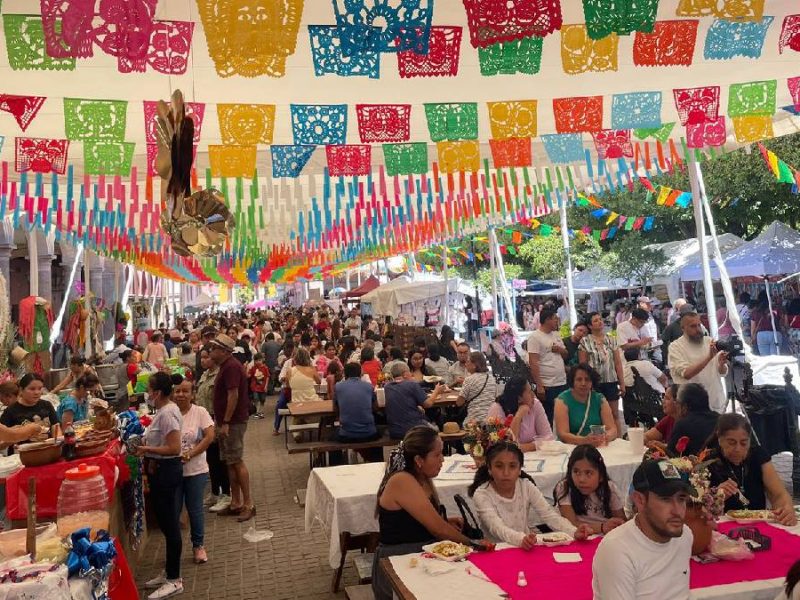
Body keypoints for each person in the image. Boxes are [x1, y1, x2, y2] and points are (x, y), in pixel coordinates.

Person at [372, 426, 489, 600]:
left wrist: (446, 521)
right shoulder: (402, 480)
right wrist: (473, 544)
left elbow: (416, 521)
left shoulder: (419, 477)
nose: (442, 459)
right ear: (419, 460)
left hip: (416, 553)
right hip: (397, 561)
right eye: (437, 455)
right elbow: (438, 530)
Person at [591, 458, 694, 600]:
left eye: (681, 498)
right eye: (666, 499)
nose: (677, 511)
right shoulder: (617, 550)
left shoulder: (685, 536)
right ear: (639, 500)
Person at [469, 440, 591, 548]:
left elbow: (549, 515)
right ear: (489, 469)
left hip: (525, 547)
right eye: (499, 466)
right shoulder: (482, 494)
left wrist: (573, 531)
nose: (506, 473)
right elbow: (497, 528)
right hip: (497, 551)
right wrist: (521, 539)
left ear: (520, 469)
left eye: (512, 466)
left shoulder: (525, 485)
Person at [136, 372, 184, 600]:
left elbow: (174, 448)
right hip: (159, 472)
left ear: (157, 392)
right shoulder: (164, 412)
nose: (146, 393)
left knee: (170, 525)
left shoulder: (167, 414)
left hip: (166, 471)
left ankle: (174, 580)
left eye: (149, 388)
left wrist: (146, 450)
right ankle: (169, 571)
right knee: (166, 524)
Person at [708, 414, 797, 526]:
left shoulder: (758, 456)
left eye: (744, 443)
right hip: (721, 527)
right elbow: (697, 508)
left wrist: (786, 510)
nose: (738, 449)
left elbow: (778, 494)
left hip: (758, 525)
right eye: (731, 443)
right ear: (720, 439)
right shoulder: (708, 462)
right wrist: (716, 497)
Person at [210, 334, 255, 522]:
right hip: (226, 421)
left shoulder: (231, 367)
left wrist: (226, 421)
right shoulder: (225, 366)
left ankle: (248, 504)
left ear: (224, 351)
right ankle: (235, 502)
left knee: (236, 461)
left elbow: (233, 395)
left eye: (214, 348)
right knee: (229, 462)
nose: (211, 351)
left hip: (233, 422)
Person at [173, 377, 215, 564]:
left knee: (195, 509)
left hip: (196, 470)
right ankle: (174, 549)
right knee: (173, 511)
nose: (181, 394)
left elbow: (209, 437)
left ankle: (198, 546)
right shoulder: (168, 413)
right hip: (173, 471)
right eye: (177, 391)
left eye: (185, 391)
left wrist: (191, 454)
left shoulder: (200, 412)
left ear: (193, 394)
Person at [554, 444, 626, 535]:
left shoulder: (609, 488)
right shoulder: (564, 488)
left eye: (588, 473)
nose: (581, 479)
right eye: (576, 472)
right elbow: (570, 524)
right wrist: (602, 527)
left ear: (601, 476)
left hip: (606, 537)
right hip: (577, 536)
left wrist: (616, 524)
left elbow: (621, 520)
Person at [667, 311, 728, 412]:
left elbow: (722, 372)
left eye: (699, 325)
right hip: (692, 406)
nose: (698, 329)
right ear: (683, 328)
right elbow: (687, 374)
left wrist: (722, 364)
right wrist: (709, 358)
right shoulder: (675, 347)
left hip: (716, 402)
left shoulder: (709, 341)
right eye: (693, 326)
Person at [195, 346, 230, 512]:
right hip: (204, 423)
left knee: (220, 459)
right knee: (211, 459)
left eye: (206, 357)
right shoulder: (204, 375)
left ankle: (227, 494)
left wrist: (221, 423)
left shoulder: (220, 376)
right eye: (201, 357)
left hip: (215, 421)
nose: (203, 360)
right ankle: (215, 492)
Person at [578, 312, 625, 429]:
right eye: (595, 321)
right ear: (590, 325)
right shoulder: (585, 341)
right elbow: (583, 366)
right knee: (596, 415)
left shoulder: (611, 339)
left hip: (611, 380)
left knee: (614, 414)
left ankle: (618, 438)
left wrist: (622, 383)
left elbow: (617, 363)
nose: (600, 322)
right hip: (594, 383)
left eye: (600, 319)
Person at [554, 364, 617, 446]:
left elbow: (613, 429)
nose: (583, 383)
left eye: (587, 379)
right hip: (572, 447)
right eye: (579, 379)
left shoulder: (600, 399)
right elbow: (562, 434)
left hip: (598, 445)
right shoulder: (562, 400)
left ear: (592, 382)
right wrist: (584, 440)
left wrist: (605, 437)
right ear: (572, 381)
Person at [487, 376, 553, 452]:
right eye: (529, 392)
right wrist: (518, 416)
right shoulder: (497, 409)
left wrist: (523, 447)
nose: (533, 395)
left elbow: (548, 437)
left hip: (533, 455)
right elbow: (503, 446)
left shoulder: (535, 404)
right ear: (519, 398)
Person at [527, 307, 568, 423]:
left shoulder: (556, 335)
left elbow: (566, 354)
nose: (557, 322)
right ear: (547, 320)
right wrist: (539, 386)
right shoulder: (535, 337)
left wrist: (559, 349)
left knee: (562, 415)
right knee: (547, 416)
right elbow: (533, 362)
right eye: (555, 319)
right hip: (547, 384)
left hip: (561, 382)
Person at [383, 363, 435, 439]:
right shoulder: (412, 385)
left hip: (395, 431)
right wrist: (437, 391)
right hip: (413, 429)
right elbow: (428, 404)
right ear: (405, 374)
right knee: (435, 431)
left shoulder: (387, 387)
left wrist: (417, 407)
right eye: (409, 372)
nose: (411, 374)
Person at [666, 383, 719, 456]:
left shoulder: (682, 425)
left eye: (677, 403)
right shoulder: (721, 420)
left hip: (695, 466)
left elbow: (670, 456)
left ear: (684, 407)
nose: (676, 406)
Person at [334, 362, 378, 443]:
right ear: (360, 373)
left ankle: (337, 456)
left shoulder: (338, 386)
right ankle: (375, 456)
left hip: (347, 434)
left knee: (329, 436)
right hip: (369, 433)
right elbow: (375, 408)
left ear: (345, 374)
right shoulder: (368, 386)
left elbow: (335, 409)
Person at [456, 352, 498, 424]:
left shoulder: (469, 379)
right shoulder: (492, 378)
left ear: (474, 365)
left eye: (468, 361)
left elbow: (459, 403)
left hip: (475, 421)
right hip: (491, 420)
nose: (465, 364)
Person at [644, 384, 680, 450]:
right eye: (664, 397)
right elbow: (647, 437)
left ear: (677, 402)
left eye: (667, 398)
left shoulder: (688, 423)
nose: (663, 401)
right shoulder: (669, 419)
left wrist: (664, 447)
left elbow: (684, 450)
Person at [751, 290, 783, 356]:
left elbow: (753, 327)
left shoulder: (755, 311)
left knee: (765, 359)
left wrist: (753, 338)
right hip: (775, 334)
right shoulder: (776, 309)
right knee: (775, 358)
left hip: (761, 335)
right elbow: (781, 323)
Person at [247, 353, 270, 420]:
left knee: (262, 399)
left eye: (259, 360)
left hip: (262, 387)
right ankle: (256, 412)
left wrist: (266, 386)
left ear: (262, 360)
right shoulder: (253, 368)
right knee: (256, 398)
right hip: (255, 387)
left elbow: (268, 377)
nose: (258, 362)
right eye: (256, 360)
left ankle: (261, 411)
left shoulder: (265, 368)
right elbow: (249, 375)